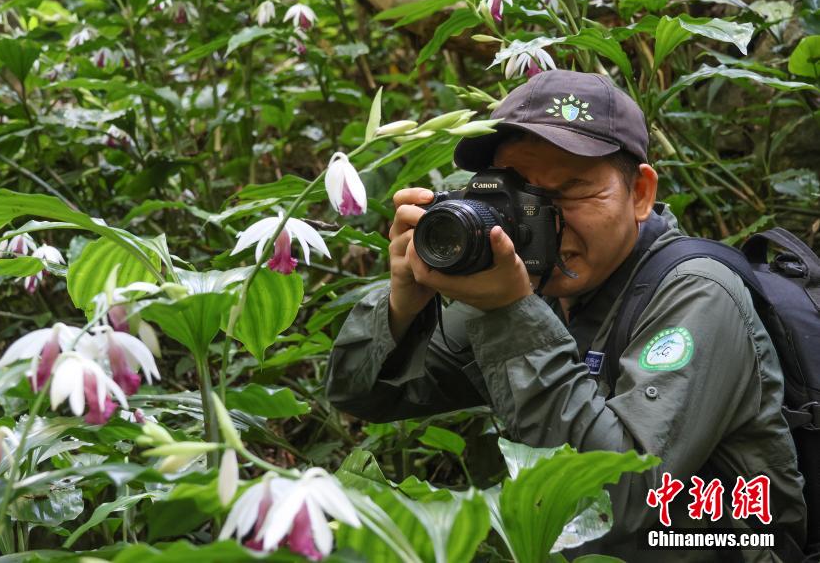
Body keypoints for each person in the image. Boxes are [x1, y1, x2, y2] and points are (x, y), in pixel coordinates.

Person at [325, 70, 806, 561]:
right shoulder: (523, 281)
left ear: (639, 194)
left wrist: (512, 313)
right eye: (521, 195)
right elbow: (358, 395)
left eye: (571, 191)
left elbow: (618, 498)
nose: (544, 219)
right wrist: (403, 305)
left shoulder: (697, 291)